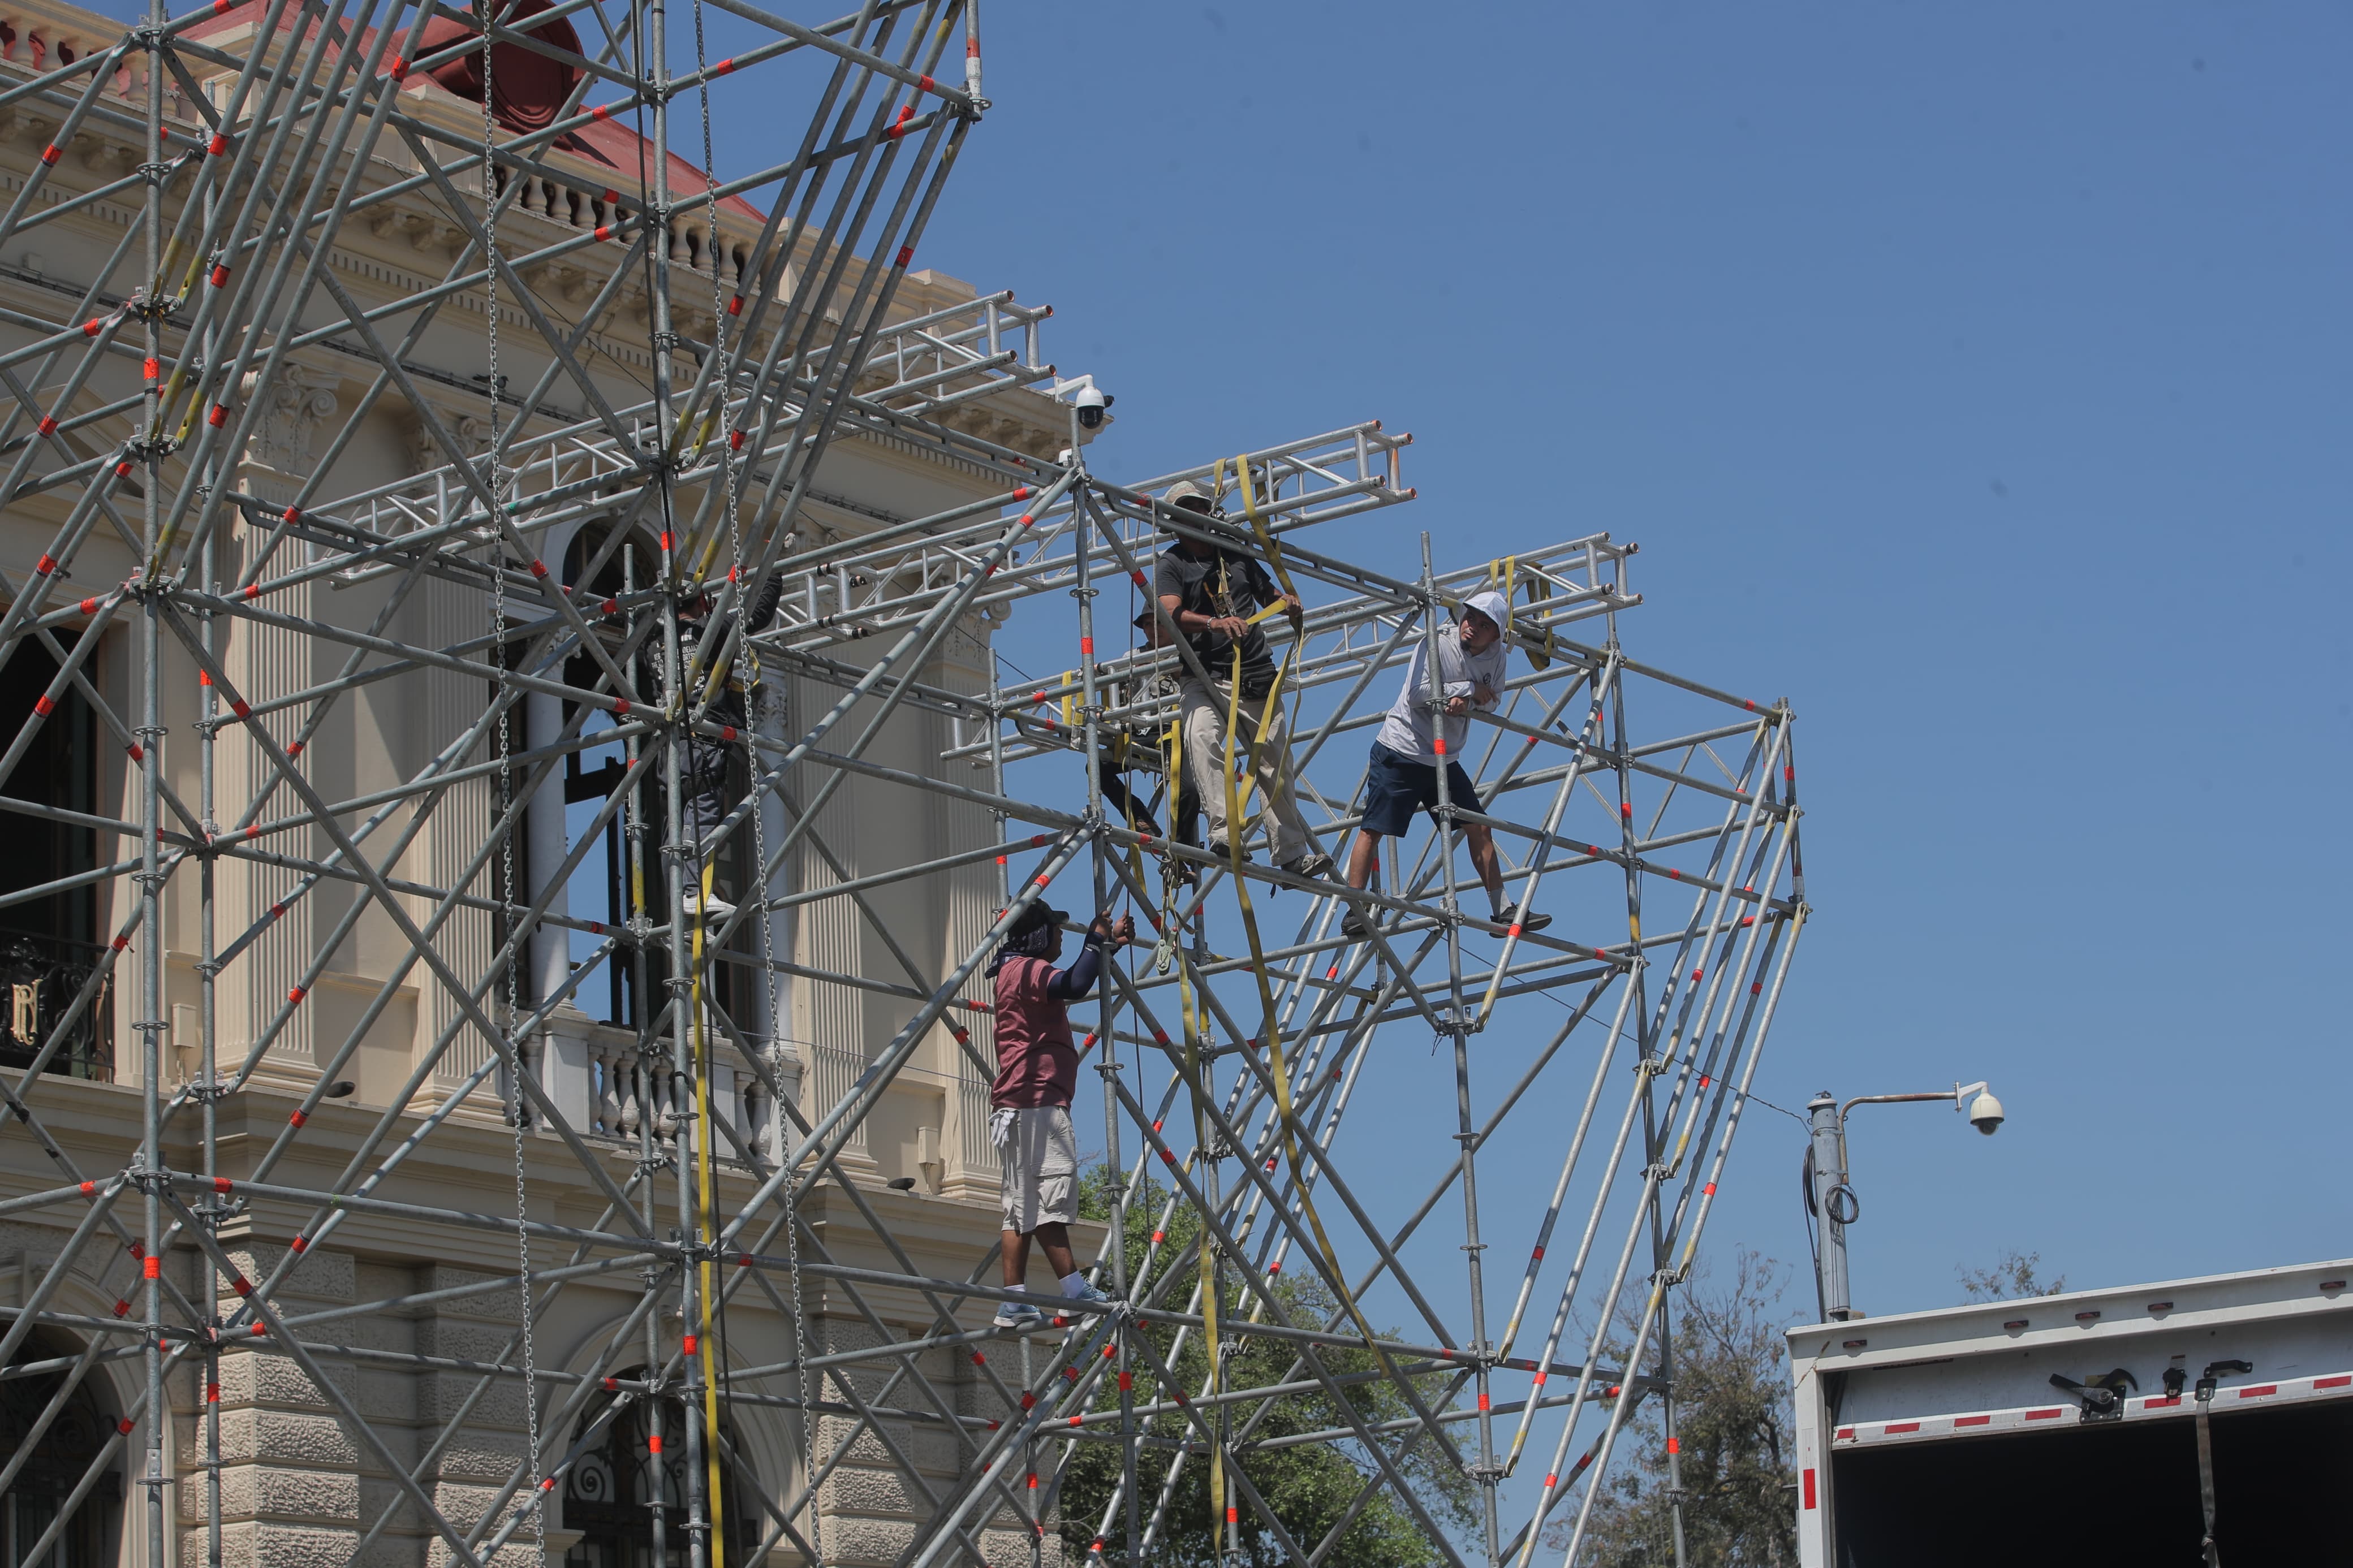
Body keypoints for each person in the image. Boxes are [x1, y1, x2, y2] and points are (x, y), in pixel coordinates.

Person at [1340, 590, 1552, 940]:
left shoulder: (1498, 658)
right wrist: (1465, 689)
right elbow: (1417, 693)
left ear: (1497, 635)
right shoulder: (1437, 644)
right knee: (1373, 827)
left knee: (1479, 826)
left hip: (1443, 757)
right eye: (1470, 618)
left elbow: (1492, 702)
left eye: (1485, 625)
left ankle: (1503, 910)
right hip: (1401, 751)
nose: (1473, 627)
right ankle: (1356, 912)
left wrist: (1467, 702)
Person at [1151, 480, 1331, 879]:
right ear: (1176, 521)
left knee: (1275, 768)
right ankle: (1224, 834)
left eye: (1200, 507)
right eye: (1188, 510)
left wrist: (1287, 603)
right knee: (1203, 738)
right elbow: (1168, 613)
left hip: (1255, 678)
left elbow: (1268, 593)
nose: (1197, 515)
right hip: (1205, 675)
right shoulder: (1173, 563)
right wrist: (1214, 623)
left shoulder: (1233, 551)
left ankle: (1291, 853)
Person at [989, 901, 1133, 1329]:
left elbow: (1075, 980)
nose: (1061, 935)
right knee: (1047, 1198)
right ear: (1037, 937)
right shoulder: (1026, 969)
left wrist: (1103, 946)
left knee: (1020, 1205)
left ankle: (1013, 1299)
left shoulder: (1011, 971)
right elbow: (1074, 984)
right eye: (1055, 929)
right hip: (1036, 1103)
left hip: (1017, 1103)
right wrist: (1094, 941)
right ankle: (1073, 1291)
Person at [650, 571, 786, 921]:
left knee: (676, 823)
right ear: (701, 602)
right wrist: (774, 572)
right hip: (704, 736)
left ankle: (679, 905)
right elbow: (759, 614)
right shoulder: (710, 630)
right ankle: (693, 895)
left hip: (669, 746)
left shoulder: (653, 643)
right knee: (702, 814)